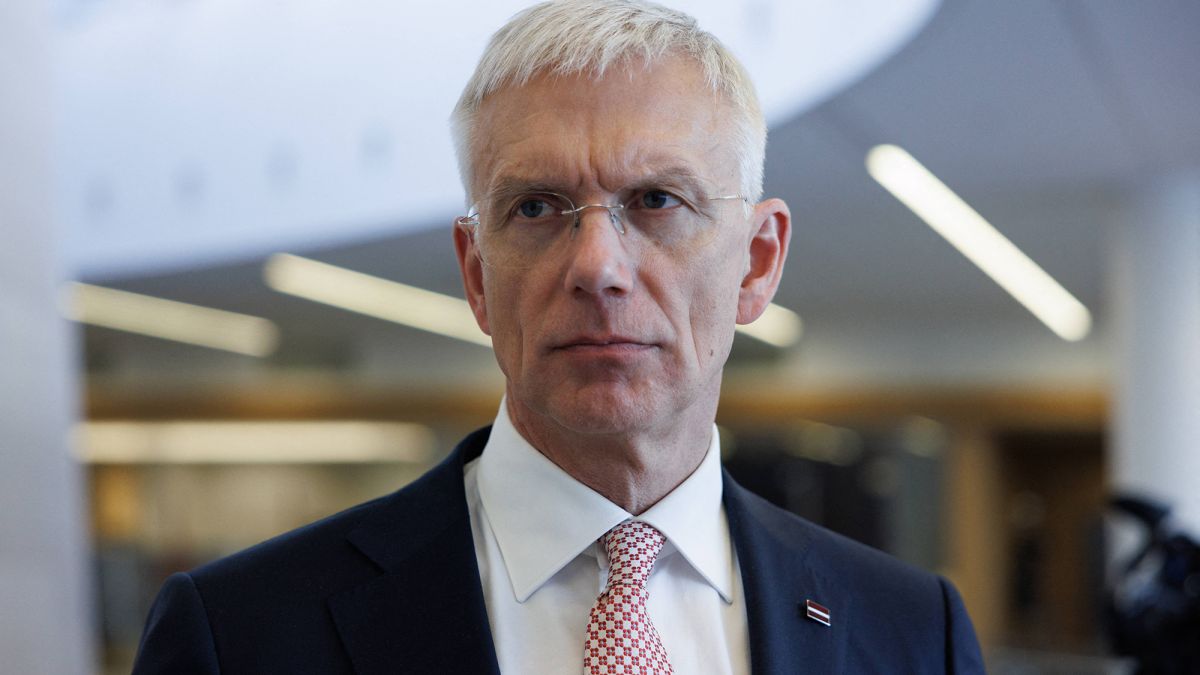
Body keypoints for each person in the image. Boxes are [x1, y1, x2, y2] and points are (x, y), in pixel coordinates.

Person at [133, 1, 985, 672]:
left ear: (757, 262)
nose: (597, 266)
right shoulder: (241, 634)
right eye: (536, 207)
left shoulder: (913, 632)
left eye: (657, 200)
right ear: (477, 274)